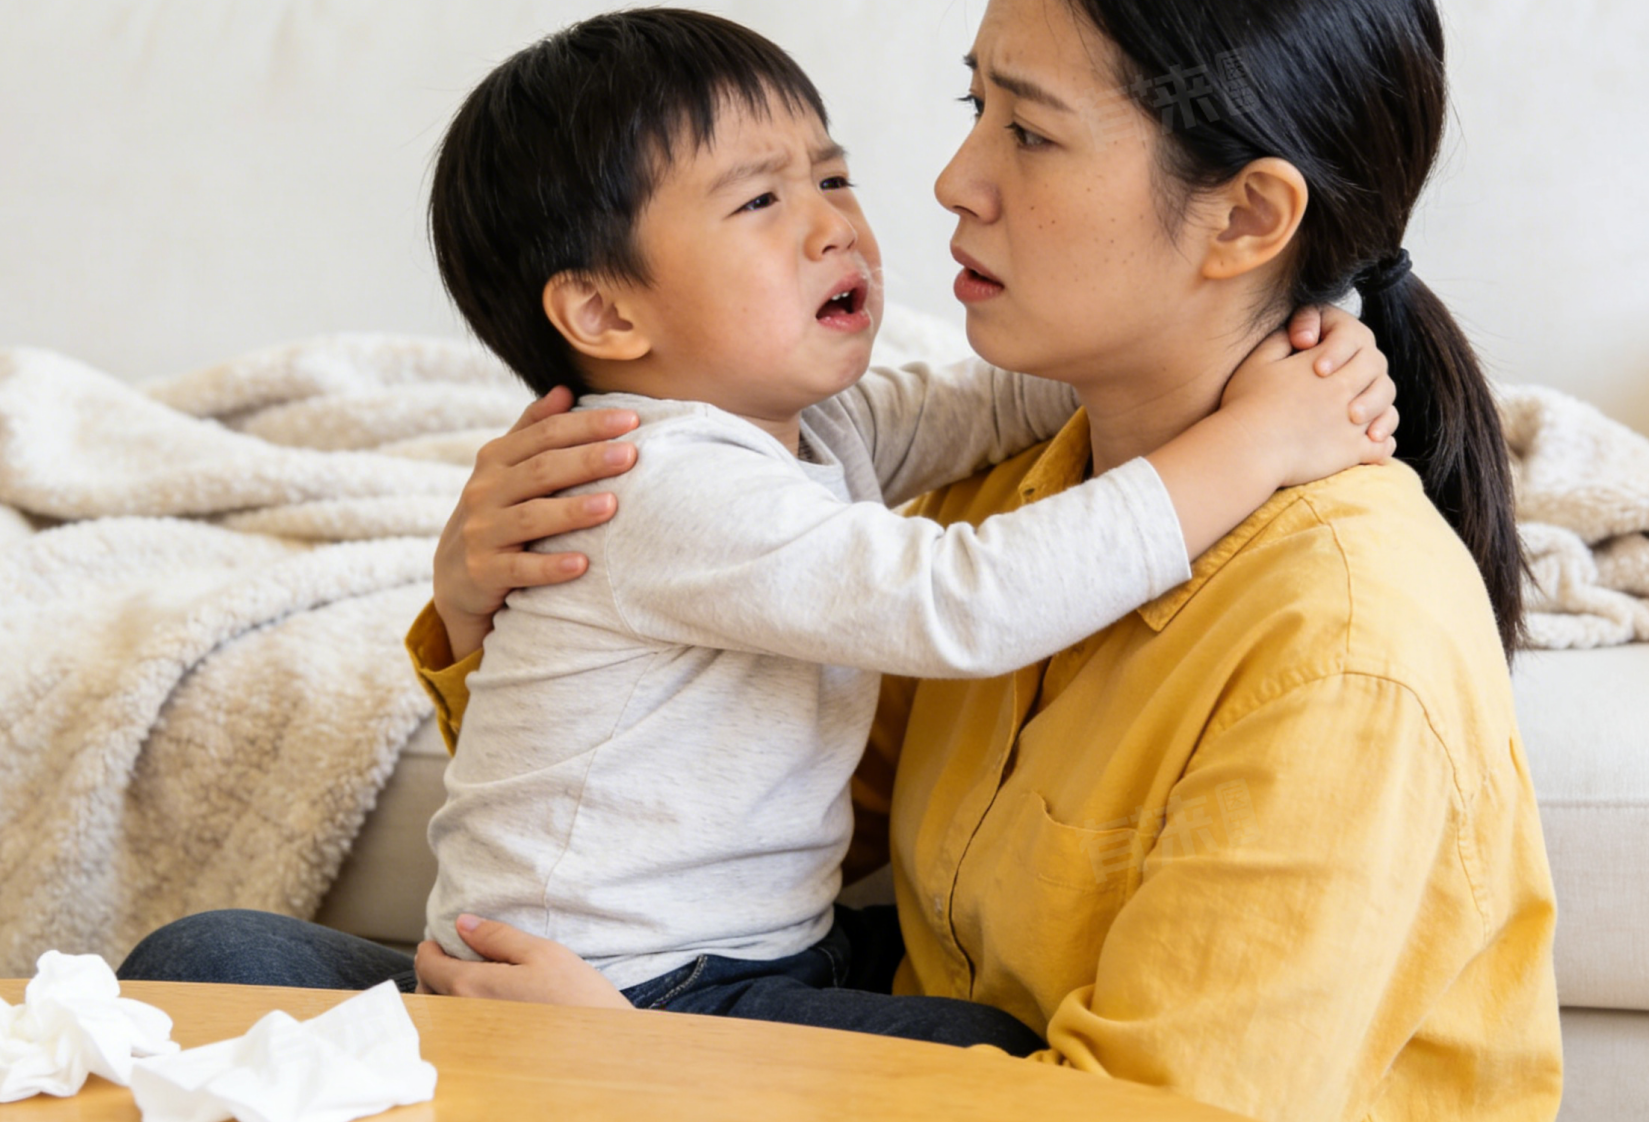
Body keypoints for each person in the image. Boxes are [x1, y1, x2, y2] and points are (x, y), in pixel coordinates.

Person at [116, 7, 1393, 1051]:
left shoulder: (807, 425)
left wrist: (1275, 332)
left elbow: (1000, 396)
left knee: (217, 966)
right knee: (987, 1053)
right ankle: (536, 1069)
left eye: (831, 176)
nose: (841, 221)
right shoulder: (666, 484)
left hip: (759, 949)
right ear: (607, 316)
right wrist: (1253, 441)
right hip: (635, 984)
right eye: (760, 204)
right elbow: (964, 600)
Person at [406, 0, 1562, 1119]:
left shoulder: (1348, 651)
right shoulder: (1007, 497)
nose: (950, 181)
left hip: (794, 1071)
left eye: (1029, 129)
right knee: (279, 973)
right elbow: (733, 788)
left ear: (1246, 218)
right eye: (976, 107)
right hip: (698, 1000)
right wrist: (479, 611)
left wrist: (642, 1071)